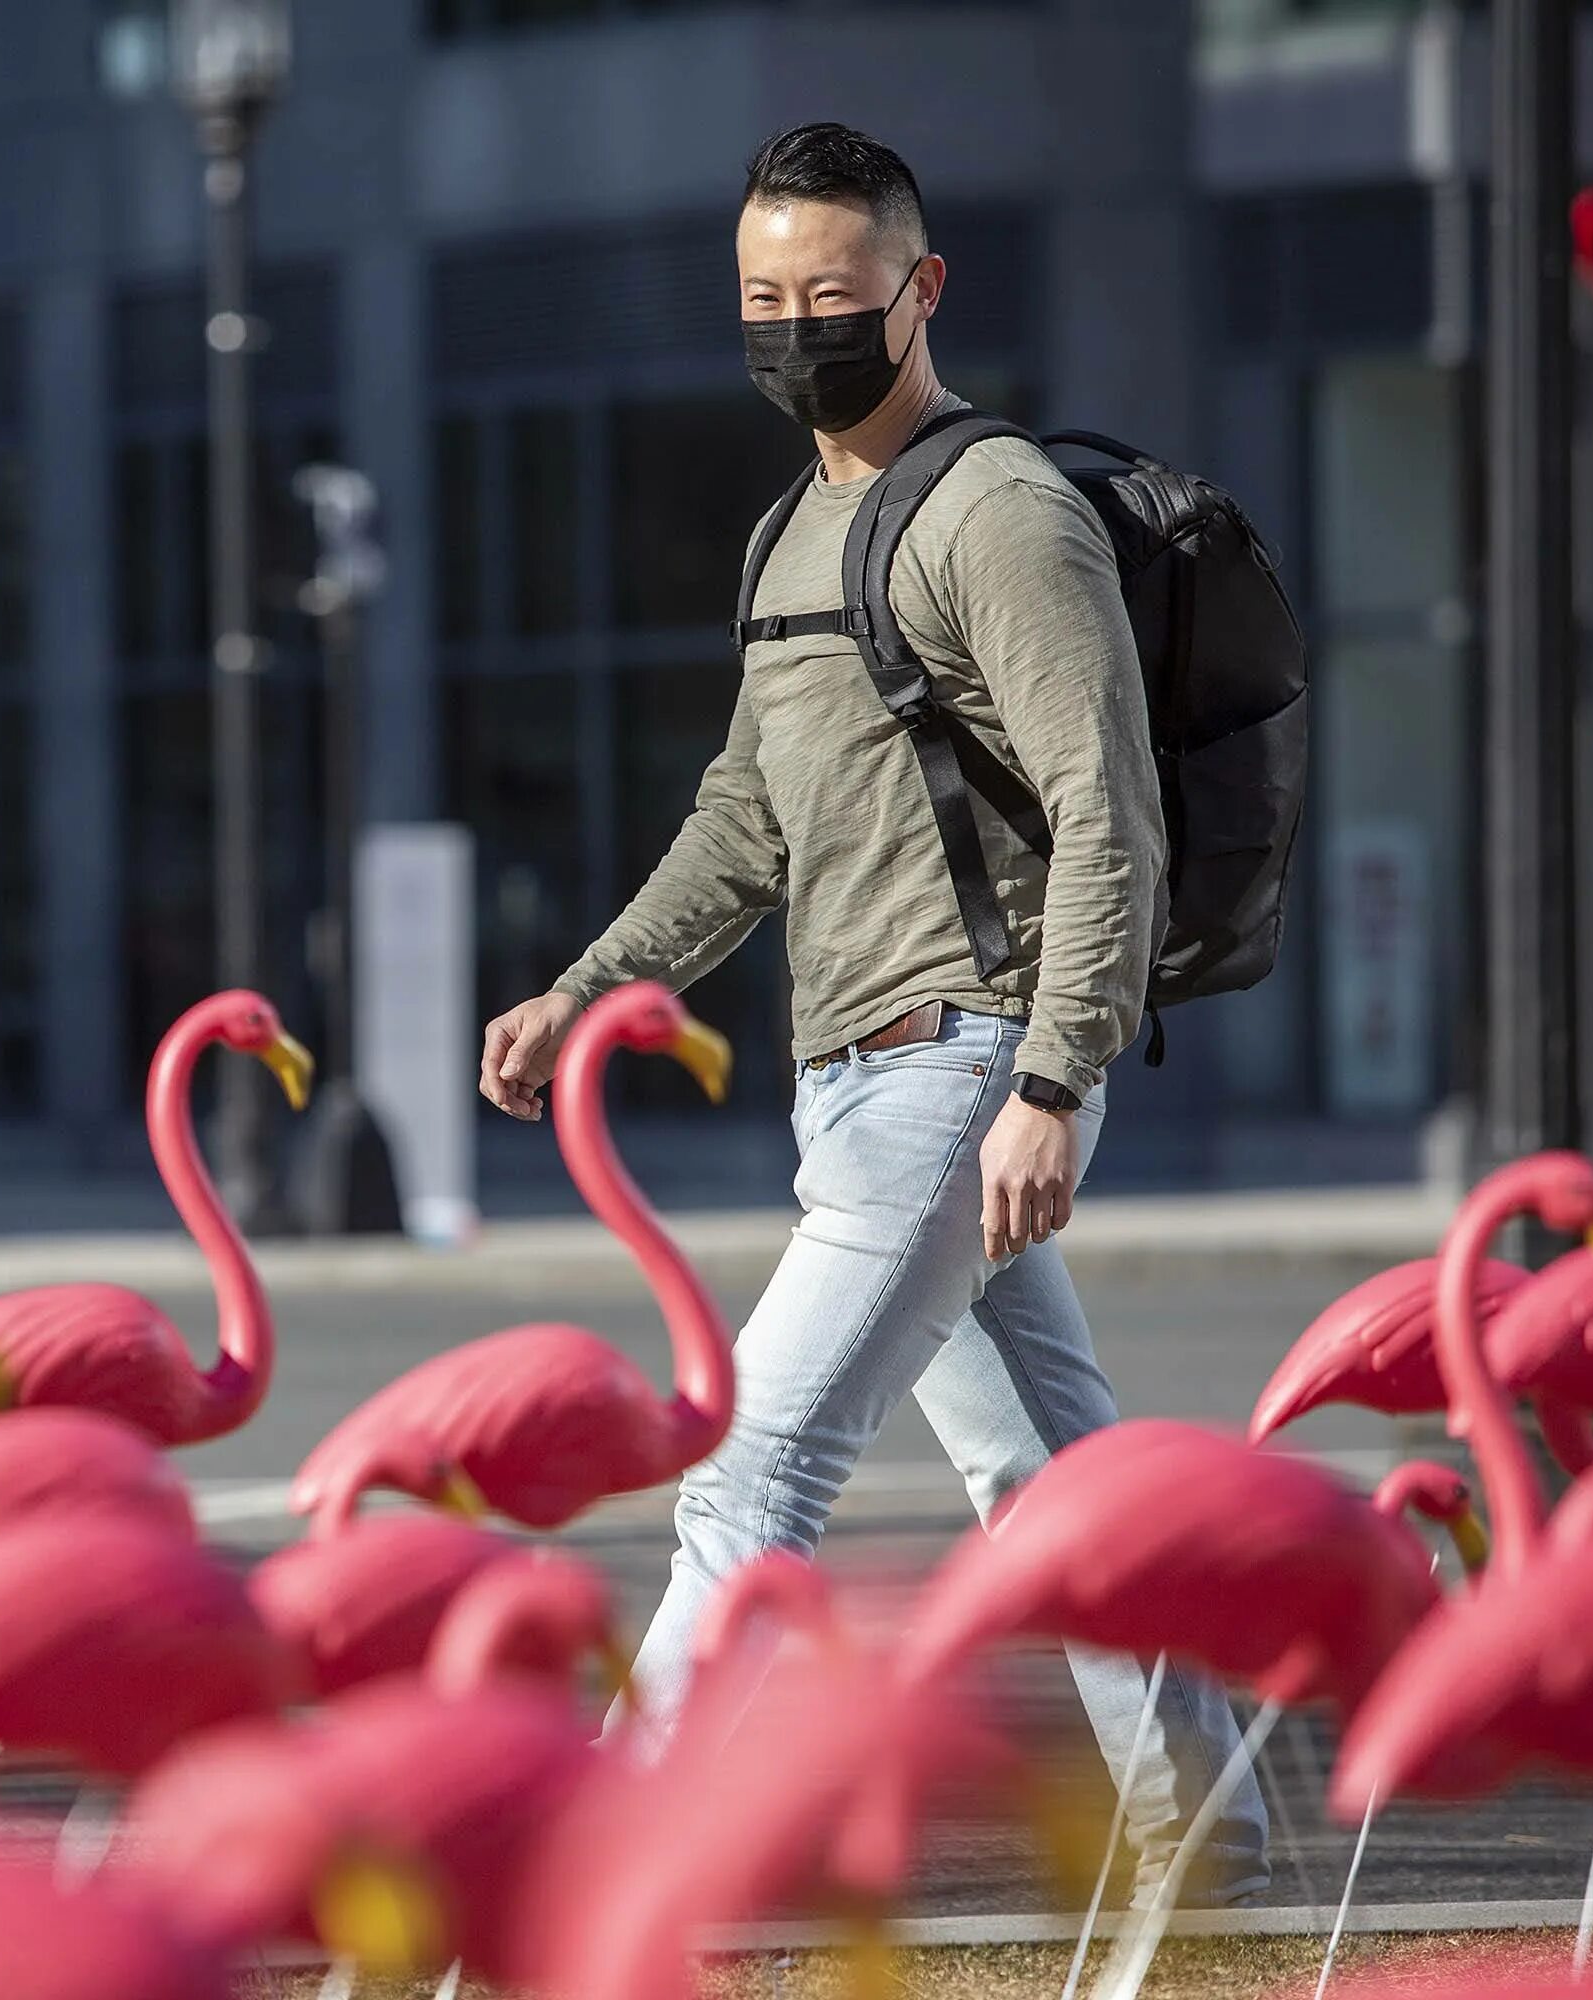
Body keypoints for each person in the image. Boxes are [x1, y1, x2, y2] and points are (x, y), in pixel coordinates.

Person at [476, 122, 1270, 1905]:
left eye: (831, 297)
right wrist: (589, 988)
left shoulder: (999, 513)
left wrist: (1057, 1078)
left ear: (921, 290)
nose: (794, 330)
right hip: (866, 1081)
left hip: (960, 1067)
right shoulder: (797, 524)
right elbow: (744, 818)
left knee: (748, 1486)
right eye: (762, 300)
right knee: (1054, 1497)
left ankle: (598, 1886)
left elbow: (1107, 805)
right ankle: (1221, 1857)